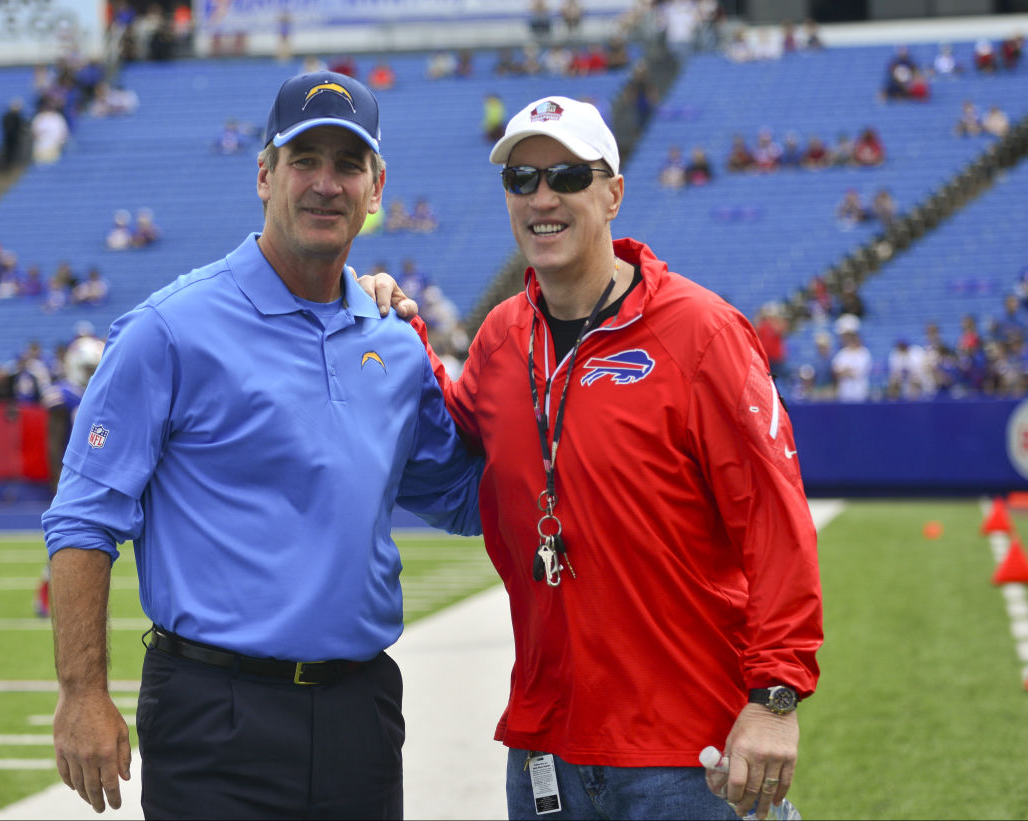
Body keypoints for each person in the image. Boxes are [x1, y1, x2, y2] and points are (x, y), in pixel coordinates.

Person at [41, 70, 484, 819]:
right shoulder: (169, 329)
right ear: (263, 174)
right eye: (303, 160)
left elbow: (464, 497)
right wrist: (82, 693)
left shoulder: (395, 341)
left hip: (360, 710)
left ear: (376, 189)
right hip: (216, 711)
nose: (324, 184)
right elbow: (83, 518)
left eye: (347, 165)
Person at [395, 95, 822, 820]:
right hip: (545, 749)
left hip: (690, 753)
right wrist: (397, 333)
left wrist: (775, 698)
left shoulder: (701, 333)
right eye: (520, 180)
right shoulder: (501, 337)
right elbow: (456, 450)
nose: (542, 197)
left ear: (612, 192)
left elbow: (775, 524)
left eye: (566, 175)